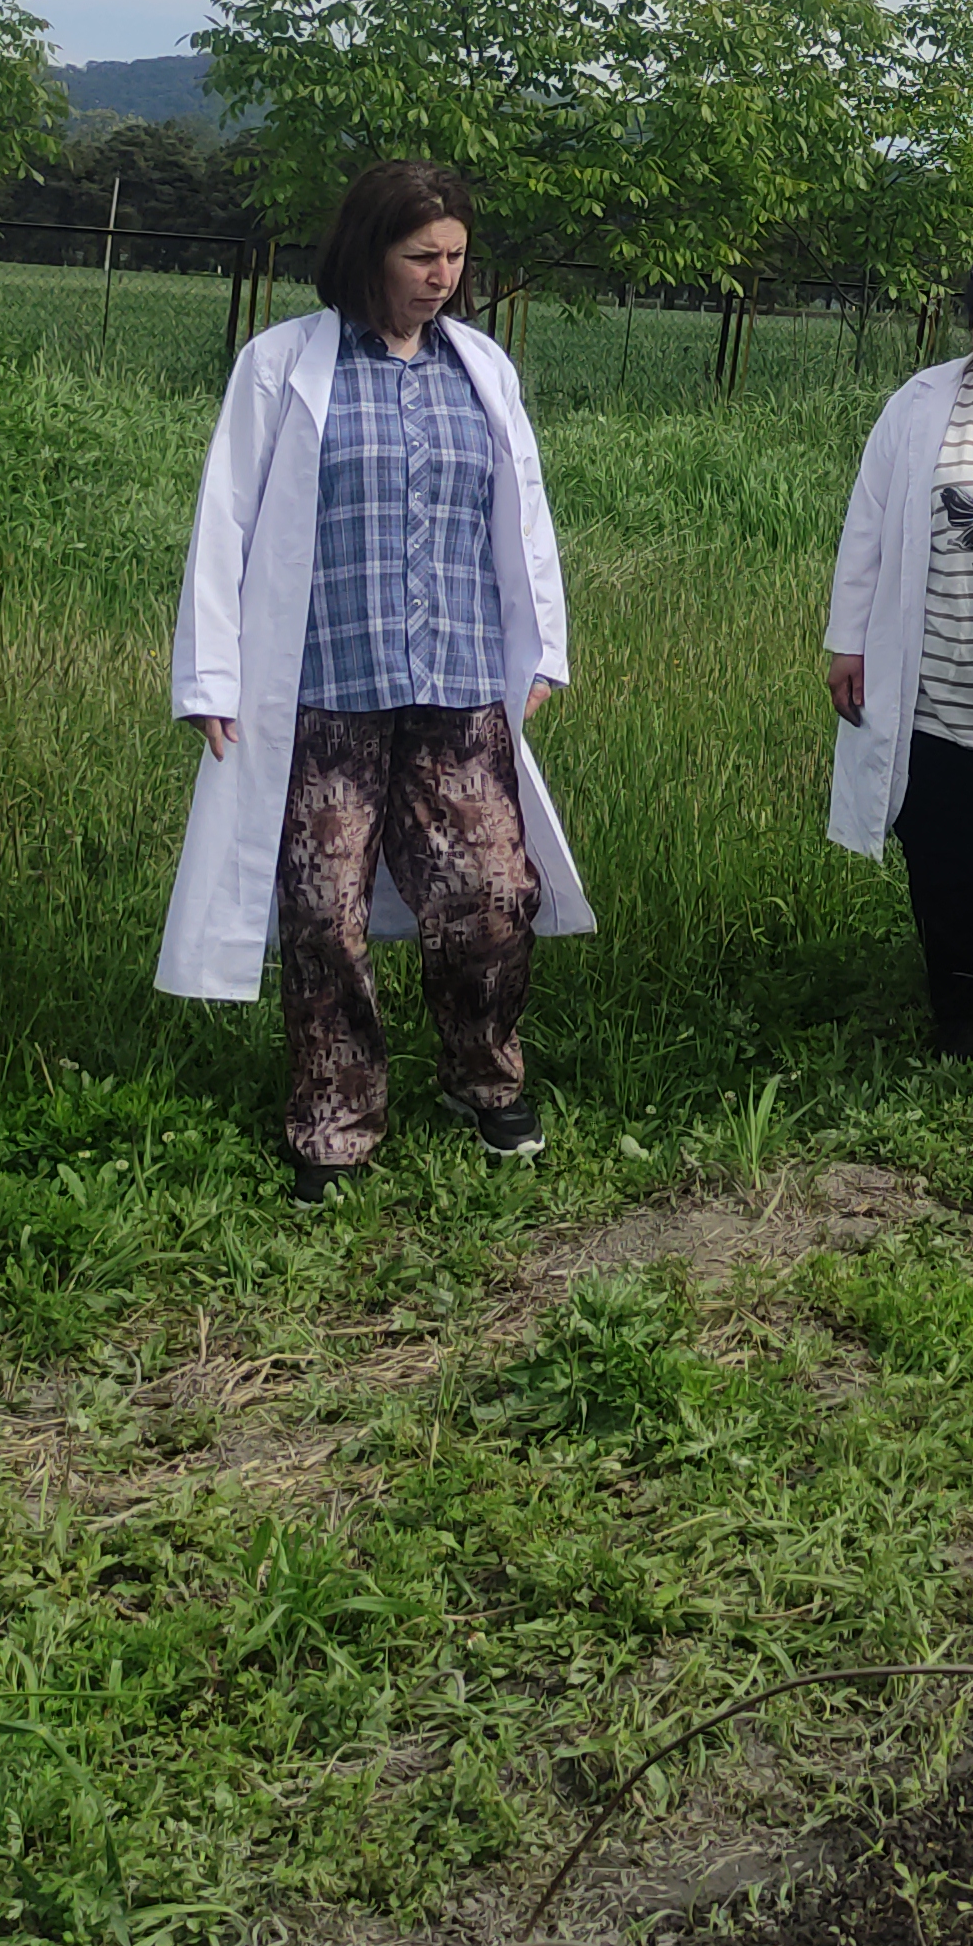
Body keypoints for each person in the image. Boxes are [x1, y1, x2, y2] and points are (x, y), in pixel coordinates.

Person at [156, 160, 591, 1204]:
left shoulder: (480, 367)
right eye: (420, 256)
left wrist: (542, 648)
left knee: (493, 895)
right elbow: (226, 518)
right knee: (322, 912)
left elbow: (524, 514)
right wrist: (211, 675)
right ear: (367, 253)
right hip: (323, 688)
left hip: (457, 683)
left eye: (456, 256)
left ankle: (484, 1078)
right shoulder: (282, 365)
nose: (443, 276)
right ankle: (336, 1121)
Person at [823, 249, 973, 1056]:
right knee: (946, 855)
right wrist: (849, 642)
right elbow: (869, 525)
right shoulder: (922, 404)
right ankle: (962, 1011)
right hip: (941, 680)